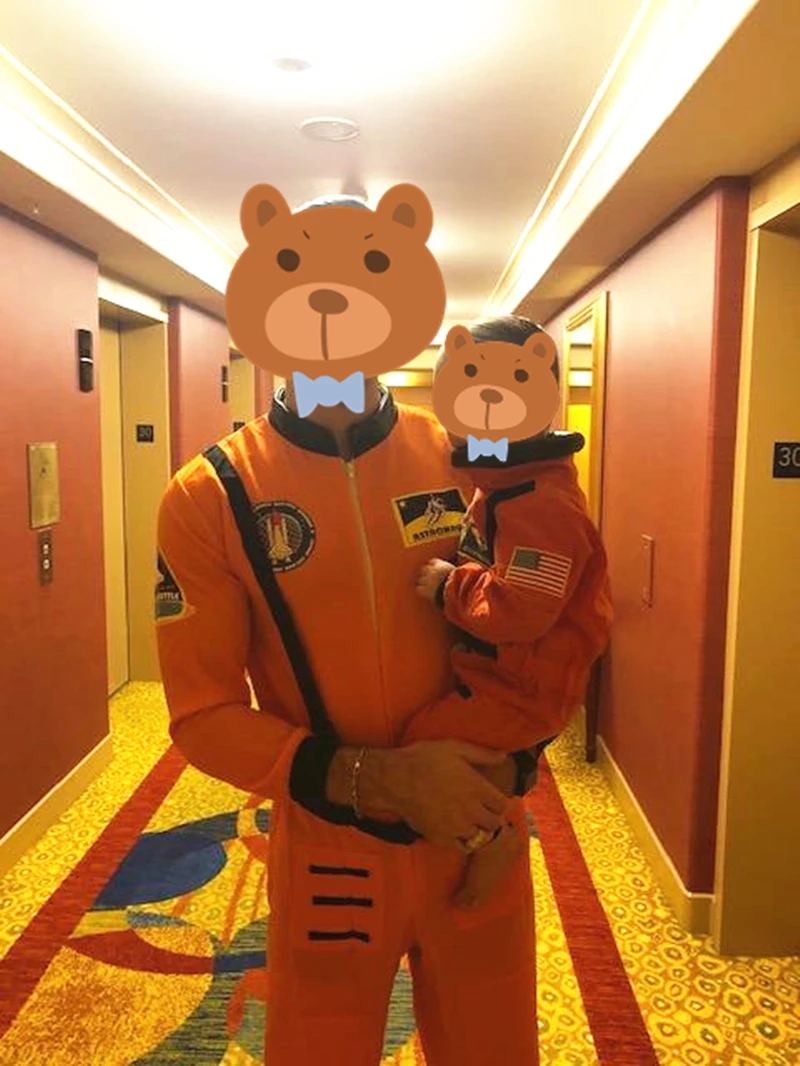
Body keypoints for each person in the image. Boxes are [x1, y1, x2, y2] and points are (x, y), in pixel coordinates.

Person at [155, 195, 544, 1066]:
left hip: (481, 829)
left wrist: (515, 771)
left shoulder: (466, 459)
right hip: (331, 850)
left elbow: (545, 632)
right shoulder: (210, 493)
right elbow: (202, 715)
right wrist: (377, 778)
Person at [401, 315, 613, 909]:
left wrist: (449, 586)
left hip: (528, 682)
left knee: (424, 744)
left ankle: (495, 835)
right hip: (513, 671)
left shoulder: (541, 502)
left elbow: (521, 611)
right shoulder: (506, 480)